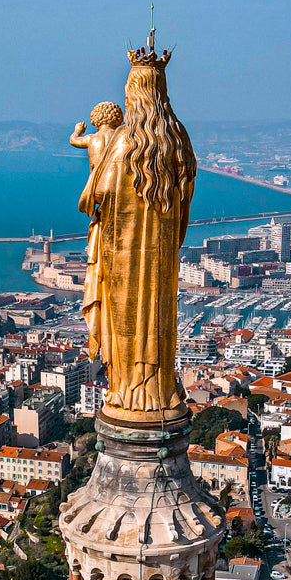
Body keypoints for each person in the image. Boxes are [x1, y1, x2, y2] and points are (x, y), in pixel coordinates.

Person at [75, 45, 195, 423]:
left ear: (134, 92)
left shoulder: (125, 141)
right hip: (161, 257)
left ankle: (128, 391)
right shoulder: (177, 139)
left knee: (126, 320)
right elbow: (186, 195)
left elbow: (100, 193)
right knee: (158, 318)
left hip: (124, 253)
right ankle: (157, 389)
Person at [69, 102, 124, 170]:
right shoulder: (121, 137)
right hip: (113, 176)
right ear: (119, 119)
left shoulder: (91, 138)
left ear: (95, 119)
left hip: (94, 177)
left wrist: (78, 131)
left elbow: (73, 140)